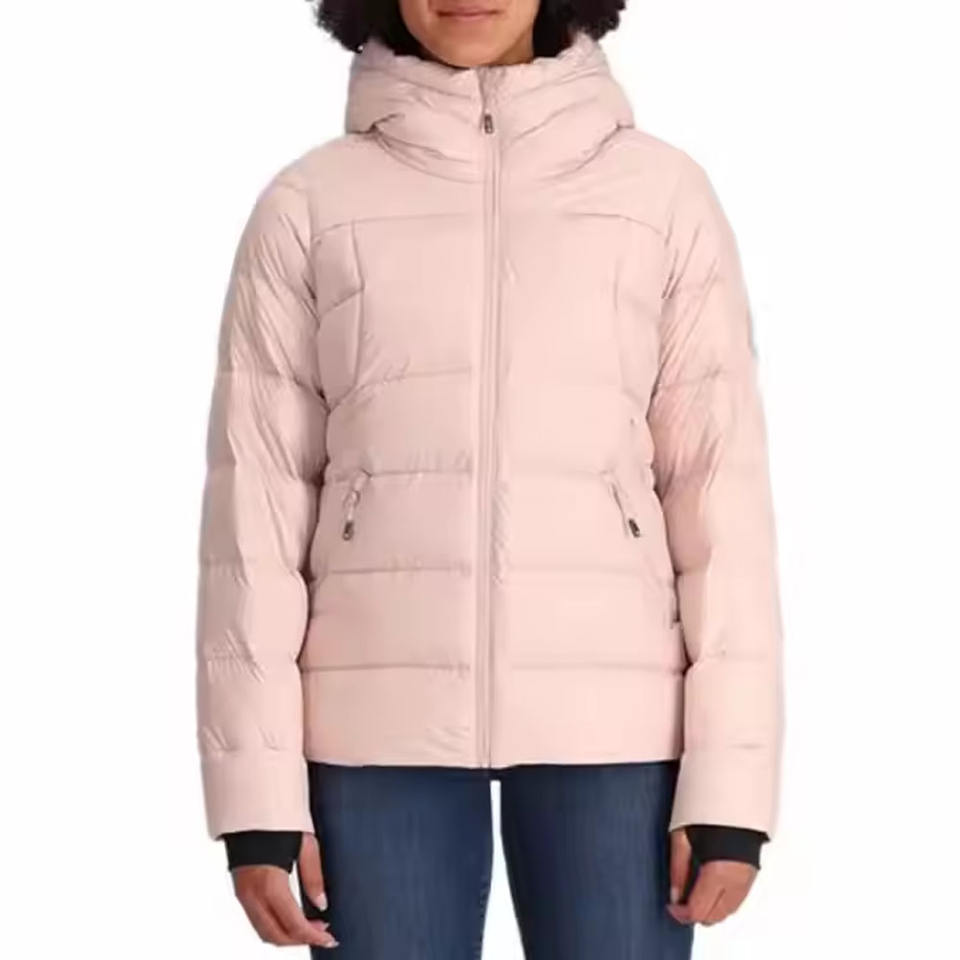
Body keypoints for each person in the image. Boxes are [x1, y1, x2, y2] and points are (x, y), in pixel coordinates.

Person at [194, 0, 784, 955]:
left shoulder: (661, 197)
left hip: (619, 722)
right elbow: (252, 519)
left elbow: (721, 504)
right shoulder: (308, 207)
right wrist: (256, 800)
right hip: (371, 725)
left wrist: (731, 784)